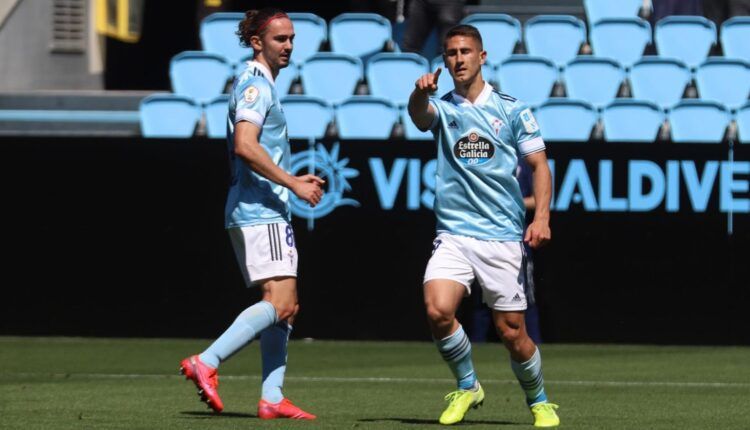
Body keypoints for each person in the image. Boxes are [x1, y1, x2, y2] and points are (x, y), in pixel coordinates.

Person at [408, 24, 559, 427]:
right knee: (438, 310)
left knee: (512, 333)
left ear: (482, 57)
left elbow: (539, 166)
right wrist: (418, 94)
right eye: (451, 53)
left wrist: (541, 217)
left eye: (465, 51)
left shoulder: (512, 109)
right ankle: (468, 384)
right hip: (454, 233)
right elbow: (420, 116)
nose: (457, 59)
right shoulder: (443, 107)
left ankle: (539, 399)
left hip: (502, 236)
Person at [179, 7, 321, 420]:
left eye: (292, 38)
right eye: (280, 39)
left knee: (286, 306)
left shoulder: (261, 83)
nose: (289, 46)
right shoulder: (256, 85)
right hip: (259, 209)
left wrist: (289, 181)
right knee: (281, 301)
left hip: (264, 207)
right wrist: (292, 182)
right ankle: (206, 361)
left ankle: (272, 397)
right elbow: (245, 143)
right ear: (258, 42)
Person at [470, 159, 543, 345]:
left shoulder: (525, 160)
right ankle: (477, 348)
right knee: (481, 299)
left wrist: (509, 203)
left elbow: (537, 199)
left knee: (526, 297)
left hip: (516, 236)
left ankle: (535, 346)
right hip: (484, 235)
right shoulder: (484, 154)